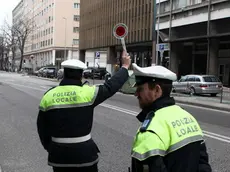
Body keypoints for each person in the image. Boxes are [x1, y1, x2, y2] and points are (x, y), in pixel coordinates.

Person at [37, 51, 131, 172]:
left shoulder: (48, 96)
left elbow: (42, 128)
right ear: (81, 75)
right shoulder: (88, 93)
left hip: (59, 156)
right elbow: (111, 86)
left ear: (64, 73)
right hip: (85, 155)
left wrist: (52, 147)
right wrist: (125, 67)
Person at [130, 63, 212, 172]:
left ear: (157, 90)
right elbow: (203, 164)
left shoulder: (150, 130)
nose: (136, 94)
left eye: (140, 89)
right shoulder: (187, 117)